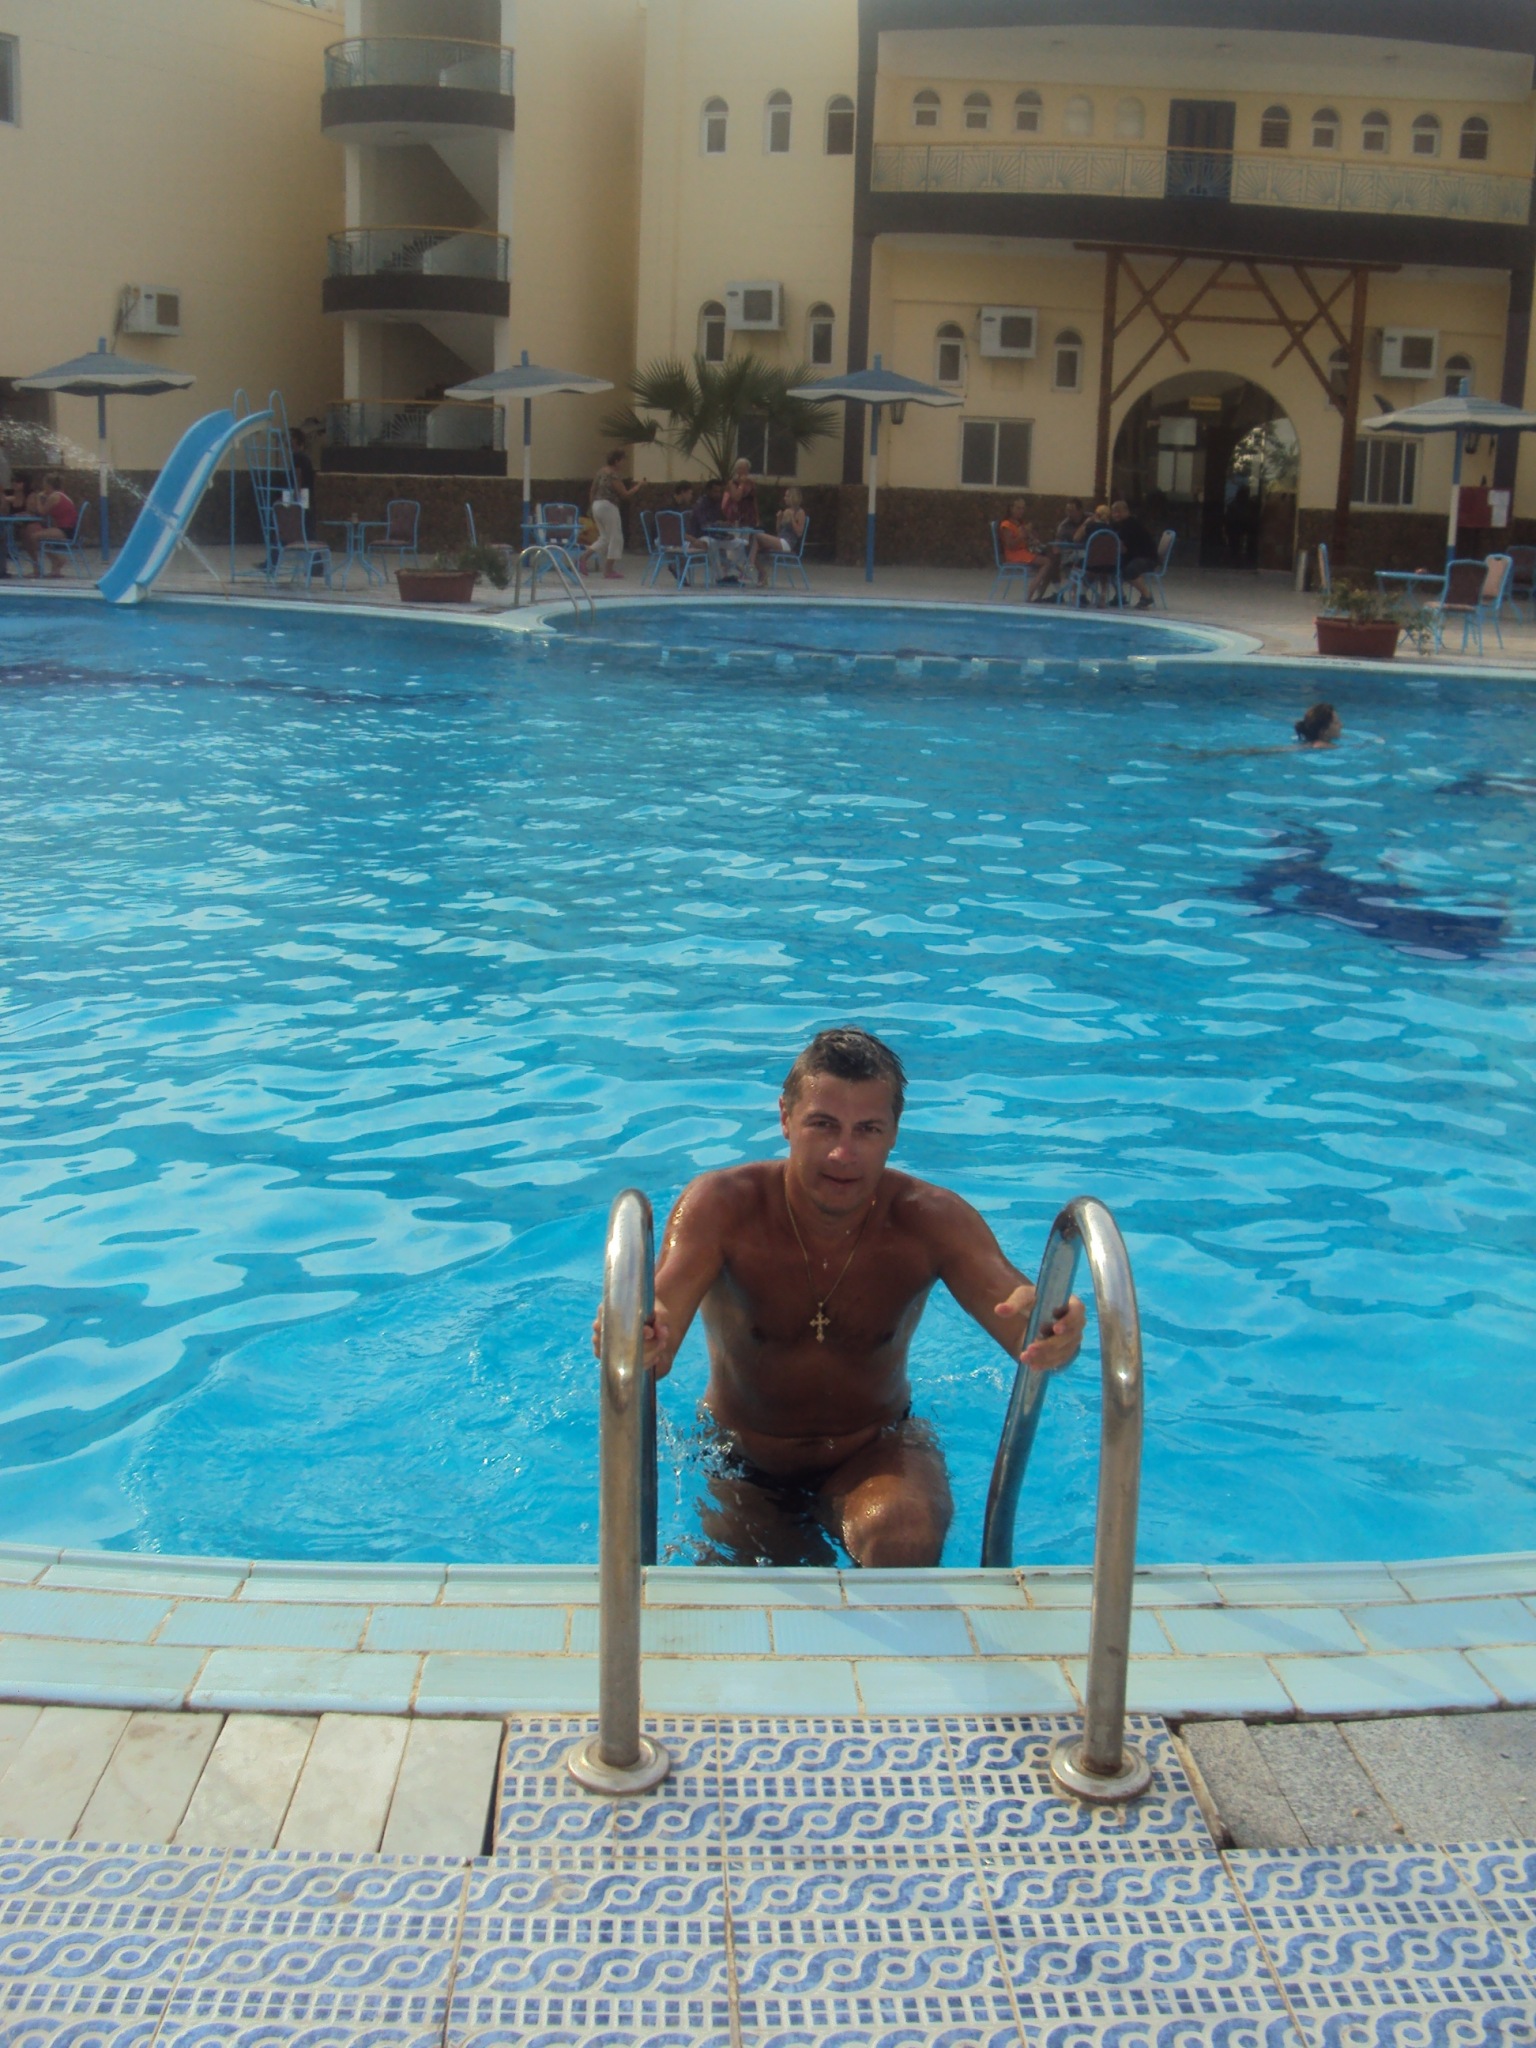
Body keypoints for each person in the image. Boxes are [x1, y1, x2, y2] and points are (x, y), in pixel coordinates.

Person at [596, 1027, 1086, 1568]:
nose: (842, 1153)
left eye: (867, 1129)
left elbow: (1015, 1309)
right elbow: (662, 1315)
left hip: (876, 1447)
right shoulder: (724, 1208)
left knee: (901, 1535)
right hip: (744, 1461)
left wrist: (1052, 1331)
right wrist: (639, 1334)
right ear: (786, 1118)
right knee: (762, 1585)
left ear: (894, 1133)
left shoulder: (930, 1220)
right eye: (823, 1124)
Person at [586, 448, 641, 580]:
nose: (623, 463)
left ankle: (584, 557)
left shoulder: (600, 472)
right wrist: (638, 487)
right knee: (616, 537)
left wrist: (592, 506)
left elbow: (593, 490)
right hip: (608, 506)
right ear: (616, 461)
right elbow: (625, 494)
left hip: (597, 505)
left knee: (604, 538)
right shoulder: (613, 475)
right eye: (622, 460)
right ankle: (609, 569)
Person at [22, 473, 78, 577]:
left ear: (48, 485)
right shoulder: (60, 495)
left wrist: (38, 498)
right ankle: (53, 564)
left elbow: (41, 512)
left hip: (65, 530)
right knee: (31, 532)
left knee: (33, 537)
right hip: (66, 528)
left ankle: (54, 560)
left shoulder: (54, 496)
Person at [1109, 499, 1161, 609]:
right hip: (1133, 556)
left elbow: (1123, 548)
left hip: (1147, 558)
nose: (1116, 515)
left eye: (1119, 512)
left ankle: (1147, 596)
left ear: (1126, 511)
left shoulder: (1131, 525)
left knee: (1129, 570)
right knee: (1111, 567)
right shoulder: (1118, 525)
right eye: (1114, 512)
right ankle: (1120, 596)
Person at [288, 430, 316, 504]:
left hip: (301, 491)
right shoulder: (305, 456)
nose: (290, 441)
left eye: (292, 438)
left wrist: (296, 492)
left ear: (296, 440)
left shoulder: (297, 456)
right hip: (307, 491)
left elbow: (298, 475)